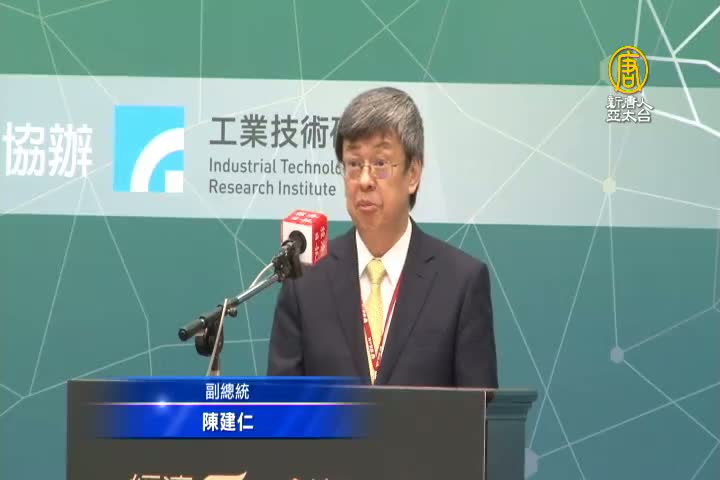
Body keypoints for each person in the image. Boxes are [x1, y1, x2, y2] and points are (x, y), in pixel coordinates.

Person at [267, 86, 498, 388]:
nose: (364, 180)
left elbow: (478, 409)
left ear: (413, 174)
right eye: (353, 164)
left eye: (380, 164)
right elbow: (282, 404)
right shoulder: (306, 279)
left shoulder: (461, 282)